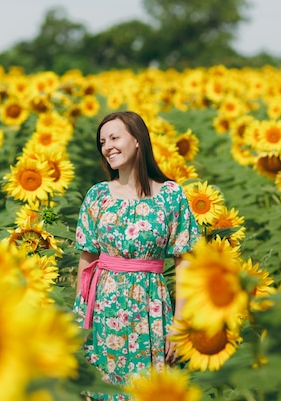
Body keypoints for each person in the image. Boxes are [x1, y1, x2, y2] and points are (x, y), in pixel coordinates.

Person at [73, 111, 200, 400]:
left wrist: (181, 324)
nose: (107, 146)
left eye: (115, 137)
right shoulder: (97, 196)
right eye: (102, 142)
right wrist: (80, 320)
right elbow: (87, 262)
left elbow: (186, 263)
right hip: (104, 311)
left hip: (151, 309)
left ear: (138, 140)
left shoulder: (170, 195)